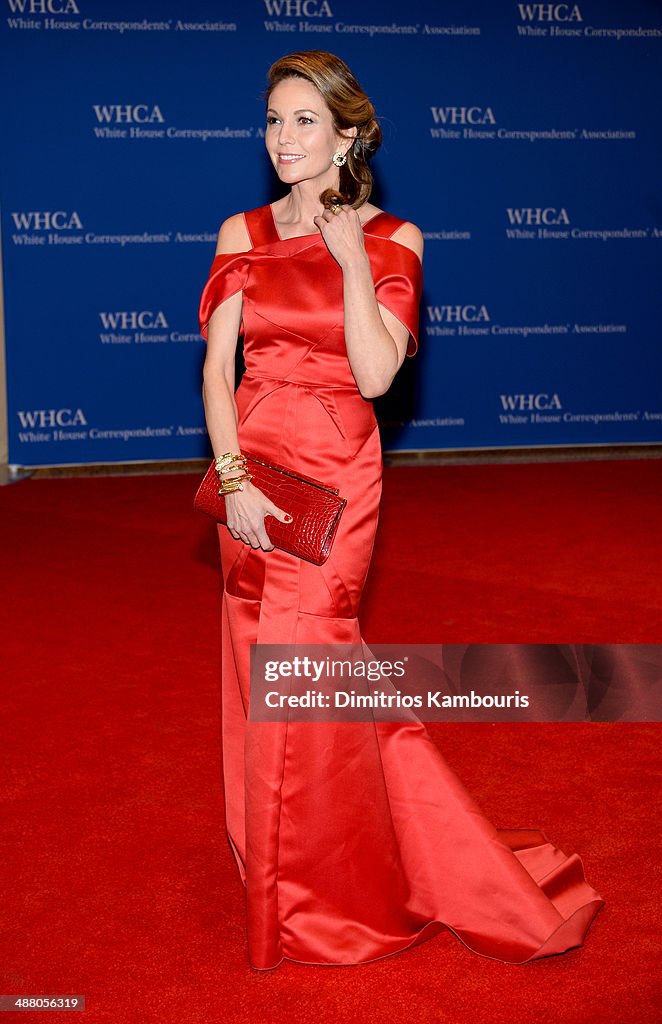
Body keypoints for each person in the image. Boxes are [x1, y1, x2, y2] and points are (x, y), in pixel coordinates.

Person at [198, 50, 604, 971]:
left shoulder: (396, 240)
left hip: (337, 469)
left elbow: (378, 375)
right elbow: (217, 373)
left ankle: (329, 887)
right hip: (250, 468)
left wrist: (347, 261)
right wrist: (232, 480)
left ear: (349, 136)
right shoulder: (240, 231)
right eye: (273, 119)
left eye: (305, 121)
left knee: (311, 666)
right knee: (258, 674)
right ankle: (283, 866)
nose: (283, 138)